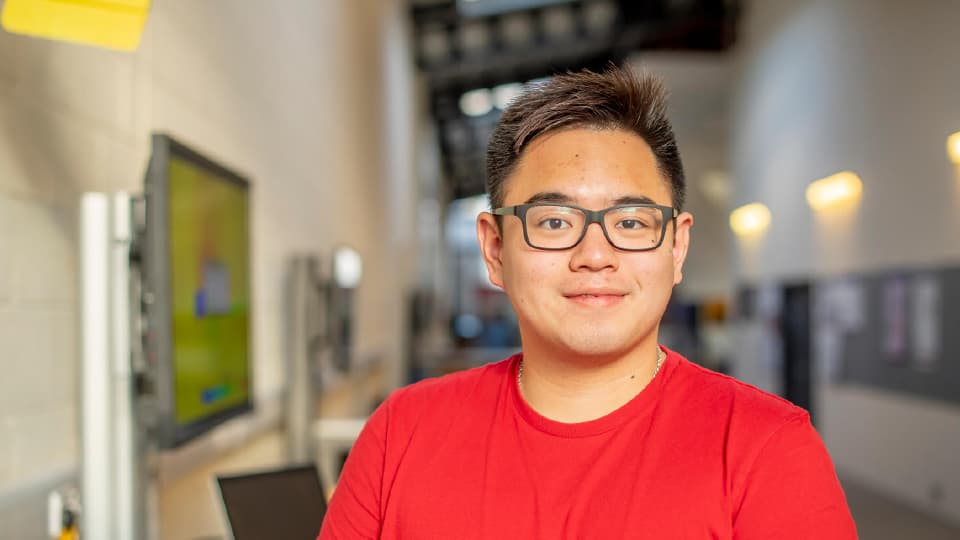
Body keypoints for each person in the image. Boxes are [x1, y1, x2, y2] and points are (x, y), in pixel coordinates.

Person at [318, 65, 857, 539]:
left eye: (630, 222)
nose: (594, 254)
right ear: (494, 248)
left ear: (676, 247)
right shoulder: (401, 434)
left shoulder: (767, 450)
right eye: (554, 222)